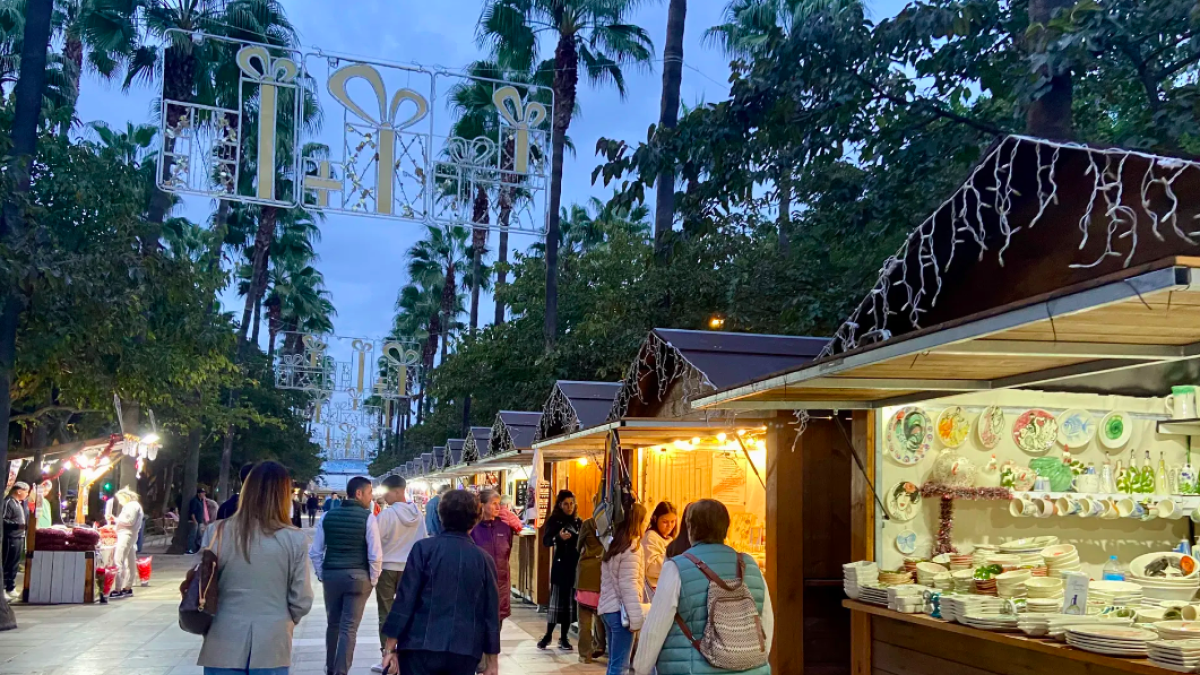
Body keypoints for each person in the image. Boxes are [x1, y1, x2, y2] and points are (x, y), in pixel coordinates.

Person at [197, 461, 314, 675]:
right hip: (273, 638)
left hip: (223, 636)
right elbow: (302, 599)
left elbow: (203, 584)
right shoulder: (295, 539)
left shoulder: (217, 532)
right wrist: (285, 619)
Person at [632, 499, 774, 675]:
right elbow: (766, 621)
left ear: (690, 528)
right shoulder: (751, 566)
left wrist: (640, 669)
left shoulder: (676, 568)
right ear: (726, 528)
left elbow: (655, 628)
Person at [381, 490, 500, 675]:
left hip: (419, 645)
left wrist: (390, 647)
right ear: (476, 519)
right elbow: (491, 613)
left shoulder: (423, 549)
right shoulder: (484, 559)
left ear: (441, 516)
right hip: (464, 649)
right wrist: (492, 661)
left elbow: (405, 600)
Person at [309, 477, 382, 675]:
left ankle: (330, 667)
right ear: (359, 493)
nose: (371, 497)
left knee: (333, 623)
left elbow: (315, 552)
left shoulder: (328, 516)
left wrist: (322, 574)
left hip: (332, 575)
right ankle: (341, 671)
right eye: (369, 493)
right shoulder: (368, 518)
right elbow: (375, 554)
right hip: (358, 578)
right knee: (349, 627)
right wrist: (373, 579)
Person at [370, 475, 425, 673]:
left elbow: (374, 543)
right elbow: (423, 542)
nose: (384, 496)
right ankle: (404, 657)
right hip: (410, 569)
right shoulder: (417, 514)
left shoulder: (386, 515)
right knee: (409, 612)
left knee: (385, 612)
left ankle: (387, 658)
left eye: (386, 492)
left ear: (397, 491)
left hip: (387, 568)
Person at [598, 502, 649, 675]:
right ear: (637, 523)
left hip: (608, 610)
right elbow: (629, 586)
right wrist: (636, 619)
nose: (646, 526)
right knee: (620, 667)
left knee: (614, 663)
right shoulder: (633, 547)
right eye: (644, 522)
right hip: (621, 614)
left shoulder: (614, 545)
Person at [538, 490, 582, 651]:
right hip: (560, 567)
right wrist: (558, 537)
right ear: (560, 505)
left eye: (571, 503)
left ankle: (564, 638)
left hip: (574, 567)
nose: (569, 507)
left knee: (569, 605)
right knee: (556, 603)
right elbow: (546, 541)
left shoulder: (578, 522)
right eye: (566, 504)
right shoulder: (554, 521)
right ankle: (548, 635)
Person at [469, 489, 514, 624]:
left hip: (500, 583)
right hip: (478, 584)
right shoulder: (472, 528)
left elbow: (507, 552)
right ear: (482, 505)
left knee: (497, 625)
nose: (498, 507)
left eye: (499, 503)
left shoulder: (504, 528)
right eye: (493, 503)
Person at [575, 516, 607, 664]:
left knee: (584, 620)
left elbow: (578, 545)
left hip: (586, 574)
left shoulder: (587, 523)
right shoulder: (610, 523)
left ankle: (584, 654)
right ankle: (600, 646)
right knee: (600, 617)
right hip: (602, 573)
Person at [108, 489, 144, 599]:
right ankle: (127, 586)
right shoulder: (135, 505)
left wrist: (116, 520)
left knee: (118, 560)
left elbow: (130, 521)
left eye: (120, 499)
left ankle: (118, 588)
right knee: (130, 561)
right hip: (130, 534)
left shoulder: (132, 506)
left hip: (126, 534)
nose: (119, 502)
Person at [644, 501, 679, 595]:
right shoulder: (650, 537)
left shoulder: (671, 539)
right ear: (655, 518)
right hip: (654, 592)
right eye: (665, 522)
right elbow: (651, 567)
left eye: (673, 521)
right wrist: (675, 558)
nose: (670, 526)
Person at [3, 482, 29, 599]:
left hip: (19, 537)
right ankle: (3, 587)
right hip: (10, 537)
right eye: (26, 491)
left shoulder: (19, 504)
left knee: (14, 564)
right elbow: (3, 520)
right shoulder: (8, 502)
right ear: (19, 491)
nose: (27, 494)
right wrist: (17, 525)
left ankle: (10, 587)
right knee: (7, 563)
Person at [188, 488, 210, 554]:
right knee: (193, 535)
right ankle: (190, 549)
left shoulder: (201, 501)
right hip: (195, 521)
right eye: (202, 493)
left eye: (204, 493)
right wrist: (194, 521)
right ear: (199, 493)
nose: (204, 494)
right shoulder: (194, 501)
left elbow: (203, 512)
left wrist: (204, 520)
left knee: (199, 535)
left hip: (200, 521)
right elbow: (192, 512)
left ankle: (197, 548)